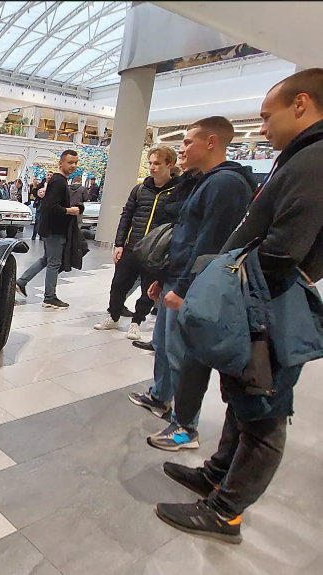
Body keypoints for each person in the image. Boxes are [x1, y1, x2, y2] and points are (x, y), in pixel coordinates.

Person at [154, 67, 323, 545]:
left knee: (265, 411)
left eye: (267, 116)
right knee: (246, 400)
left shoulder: (314, 160)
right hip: (260, 302)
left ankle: (225, 512)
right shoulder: (301, 157)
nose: (262, 127)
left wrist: (223, 283)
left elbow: (284, 250)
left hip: (269, 306)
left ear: (301, 104)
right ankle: (217, 475)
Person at [134, 117, 255, 451]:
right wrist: (163, 278)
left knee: (183, 355)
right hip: (175, 277)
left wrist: (184, 288)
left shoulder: (226, 184)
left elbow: (209, 244)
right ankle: (161, 396)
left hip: (192, 284)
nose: (183, 149)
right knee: (164, 344)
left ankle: (185, 426)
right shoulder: (204, 181)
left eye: (188, 142)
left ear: (211, 142)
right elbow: (184, 235)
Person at [94, 146, 181, 341]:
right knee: (118, 285)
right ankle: (113, 316)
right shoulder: (140, 189)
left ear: (170, 164)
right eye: (150, 163)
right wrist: (119, 243)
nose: (152, 167)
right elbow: (127, 215)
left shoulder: (177, 192)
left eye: (157, 163)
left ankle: (137, 322)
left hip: (156, 251)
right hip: (132, 246)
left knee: (148, 289)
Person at [131, 148, 203, 352]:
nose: (183, 151)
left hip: (184, 266)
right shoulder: (185, 183)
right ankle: (158, 342)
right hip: (167, 256)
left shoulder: (211, 183)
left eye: (189, 144)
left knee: (174, 344)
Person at [15, 151, 81, 309]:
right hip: (55, 229)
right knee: (54, 263)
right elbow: (51, 206)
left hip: (52, 229)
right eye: (70, 162)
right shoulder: (58, 181)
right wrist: (69, 210)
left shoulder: (60, 180)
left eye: (75, 162)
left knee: (47, 259)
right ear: (61, 163)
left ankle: (21, 282)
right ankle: (49, 297)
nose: (73, 165)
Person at [30, 172, 51, 240]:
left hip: (48, 204)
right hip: (40, 203)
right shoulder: (41, 184)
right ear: (45, 176)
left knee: (45, 220)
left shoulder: (53, 185)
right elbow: (34, 192)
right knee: (38, 219)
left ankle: (42, 235)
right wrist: (38, 194)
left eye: (51, 175)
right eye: (48, 175)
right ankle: (34, 234)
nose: (49, 176)